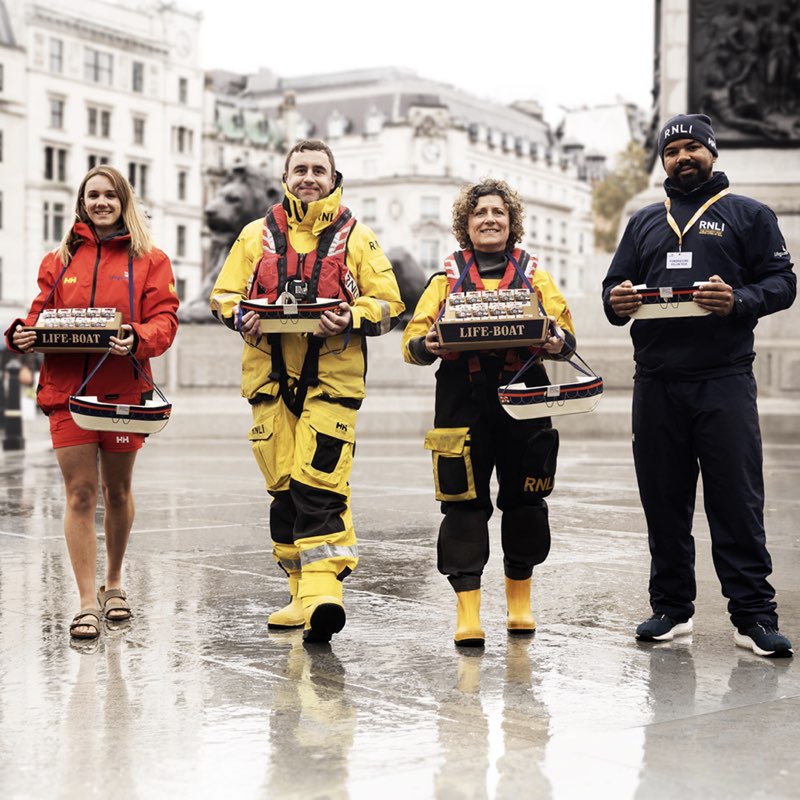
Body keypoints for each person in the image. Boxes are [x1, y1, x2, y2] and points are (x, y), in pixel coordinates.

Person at [602, 113, 795, 658]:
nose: (682, 158)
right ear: (662, 162)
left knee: (737, 500)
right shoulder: (643, 221)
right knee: (664, 500)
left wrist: (738, 299)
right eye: (672, 152)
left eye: (692, 149)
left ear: (712, 153)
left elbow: (783, 283)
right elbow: (614, 287)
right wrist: (615, 302)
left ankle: (754, 617)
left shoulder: (749, 215)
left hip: (724, 379)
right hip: (657, 381)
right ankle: (671, 610)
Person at [210, 139, 404, 643]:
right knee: (282, 492)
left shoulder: (357, 237)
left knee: (319, 484)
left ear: (334, 179)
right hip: (269, 384)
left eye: (319, 170)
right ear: (285, 175)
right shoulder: (254, 236)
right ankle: (298, 594)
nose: (309, 177)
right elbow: (223, 295)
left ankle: (323, 594)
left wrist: (351, 315)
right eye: (301, 169)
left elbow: (388, 303)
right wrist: (239, 314)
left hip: (331, 382)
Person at [4, 165, 179, 640]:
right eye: (92, 196)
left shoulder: (152, 260)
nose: (101, 202)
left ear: (124, 200)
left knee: (117, 492)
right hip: (67, 393)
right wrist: (20, 333)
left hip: (123, 395)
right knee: (80, 493)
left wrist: (137, 336)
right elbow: (40, 317)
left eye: (109, 195)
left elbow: (165, 321)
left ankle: (115, 582)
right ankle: (85, 601)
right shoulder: (58, 260)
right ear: (82, 203)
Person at [401, 179, 576, 647]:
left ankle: (520, 605)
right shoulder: (443, 281)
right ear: (466, 224)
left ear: (511, 222)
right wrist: (427, 344)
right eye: (480, 213)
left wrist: (558, 341)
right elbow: (412, 343)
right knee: (461, 508)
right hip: (462, 407)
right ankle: (468, 614)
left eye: (498, 212)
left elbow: (565, 334)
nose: (490, 219)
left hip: (525, 405)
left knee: (526, 505)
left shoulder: (537, 278)